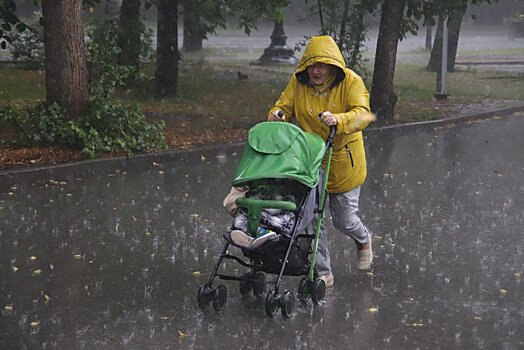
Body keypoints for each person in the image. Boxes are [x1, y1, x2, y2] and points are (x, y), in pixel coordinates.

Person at [268, 35, 376, 287]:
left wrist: (339, 119)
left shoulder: (351, 81)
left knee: (343, 220)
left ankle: (363, 239)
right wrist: (277, 114)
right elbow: (282, 106)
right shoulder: (298, 83)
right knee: (311, 219)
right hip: (310, 162)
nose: (315, 71)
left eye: (321, 65)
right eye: (311, 66)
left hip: (343, 163)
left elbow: (363, 115)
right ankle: (323, 272)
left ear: (332, 65)